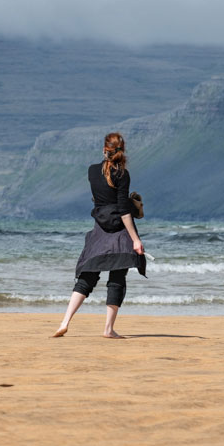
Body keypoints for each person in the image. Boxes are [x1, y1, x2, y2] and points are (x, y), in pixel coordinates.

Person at [52, 132, 147, 338]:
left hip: (100, 229)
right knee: (117, 278)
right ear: (122, 151)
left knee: (88, 276)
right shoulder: (122, 174)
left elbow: (100, 198)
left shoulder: (92, 171)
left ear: (105, 149)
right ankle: (108, 329)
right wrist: (136, 239)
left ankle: (64, 321)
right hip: (120, 231)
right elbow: (123, 209)